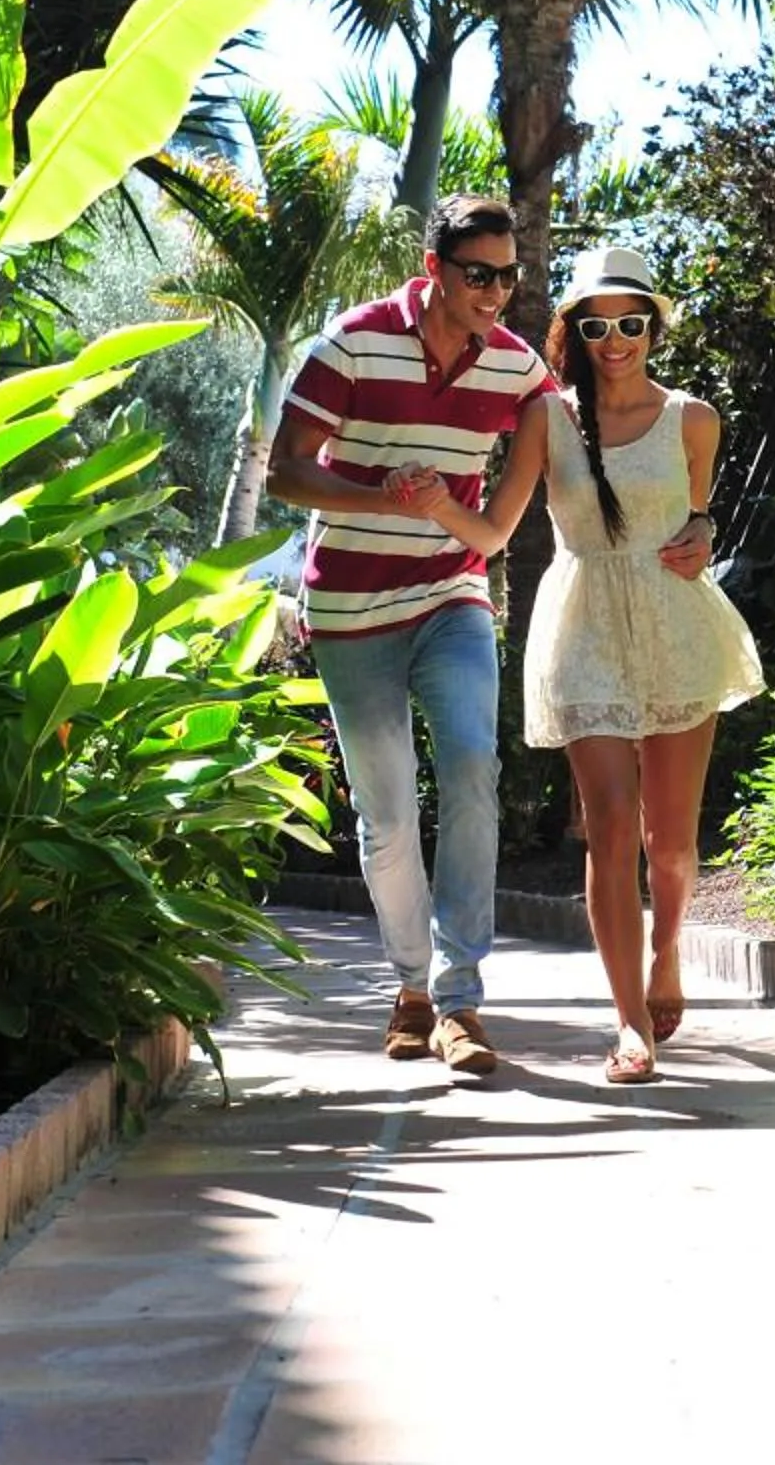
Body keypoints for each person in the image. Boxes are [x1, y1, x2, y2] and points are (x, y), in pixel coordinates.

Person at [417, 246, 766, 1083]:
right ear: (574, 330)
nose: (615, 341)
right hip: (583, 630)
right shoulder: (547, 418)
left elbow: (696, 515)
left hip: (675, 625)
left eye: (632, 324)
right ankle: (631, 1023)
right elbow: (495, 530)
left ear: (654, 328)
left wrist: (704, 531)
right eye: (597, 326)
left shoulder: (694, 419)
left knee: (670, 844)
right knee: (610, 826)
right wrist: (435, 507)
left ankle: (668, 952)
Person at [267, 195, 552, 1076]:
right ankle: (411, 990)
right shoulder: (352, 343)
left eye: (508, 277)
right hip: (351, 612)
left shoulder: (516, 368)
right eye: (478, 275)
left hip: (450, 597)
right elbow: (285, 474)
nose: (495, 292)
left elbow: (566, 433)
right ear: (435, 269)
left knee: (471, 768)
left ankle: (460, 999)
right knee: (387, 814)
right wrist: (381, 498)